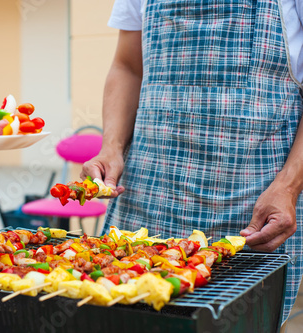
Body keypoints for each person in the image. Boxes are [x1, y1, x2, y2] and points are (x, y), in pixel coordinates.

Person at [81, 0, 303, 327]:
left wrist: (289, 185)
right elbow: (128, 66)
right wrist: (111, 147)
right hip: (145, 200)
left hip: (251, 209)